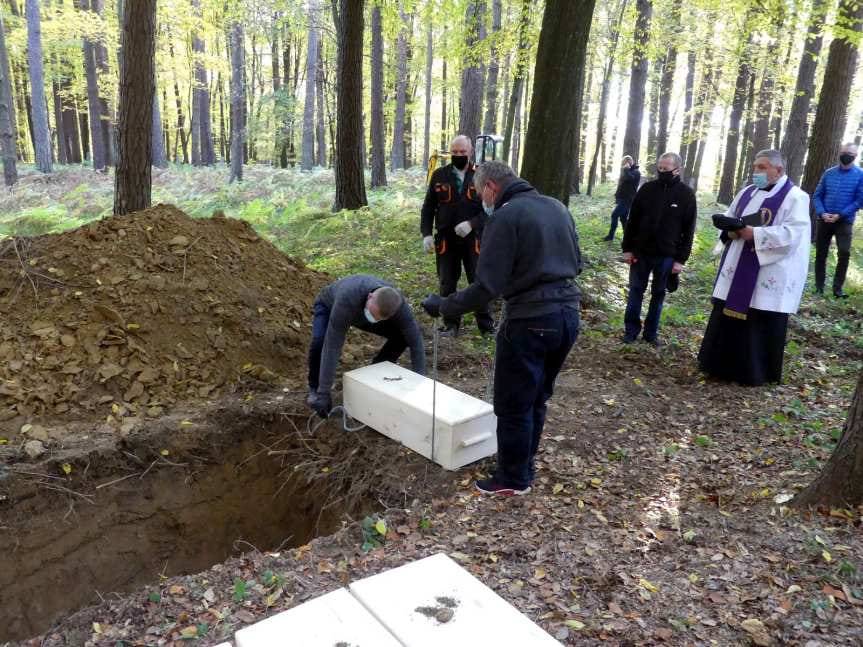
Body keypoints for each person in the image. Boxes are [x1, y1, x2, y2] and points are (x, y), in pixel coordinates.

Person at [421, 161, 582, 496]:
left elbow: (486, 286)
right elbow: (577, 263)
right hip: (568, 315)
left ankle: (512, 479)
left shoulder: (505, 217)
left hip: (530, 320)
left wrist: (444, 305)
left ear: (491, 188)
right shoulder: (556, 207)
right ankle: (524, 462)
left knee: (513, 403)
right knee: (538, 396)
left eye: (480, 194)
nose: (482, 200)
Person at [698, 149, 810, 386]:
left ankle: (753, 373)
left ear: (778, 170)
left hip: (769, 269)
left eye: (762, 167)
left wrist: (754, 234)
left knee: (757, 320)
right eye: (755, 167)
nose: (756, 172)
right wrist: (729, 227)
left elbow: (793, 233)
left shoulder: (796, 197)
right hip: (737, 262)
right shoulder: (747, 192)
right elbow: (730, 215)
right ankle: (718, 366)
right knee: (726, 316)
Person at [306, 275, 426, 418]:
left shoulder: (398, 306)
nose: (373, 319)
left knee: (402, 336)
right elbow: (332, 346)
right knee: (320, 341)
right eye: (373, 313)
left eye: (378, 318)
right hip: (329, 306)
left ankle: (375, 373)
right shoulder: (347, 298)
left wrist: (420, 383)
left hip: (362, 314)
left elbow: (415, 341)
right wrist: (323, 392)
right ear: (370, 297)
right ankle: (314, 387)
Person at [420, 134, 495, 337]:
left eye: (462, 152)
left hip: (474, 240)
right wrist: (426, 234)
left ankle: (486, 327)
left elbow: (490, 209)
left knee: (478, 281)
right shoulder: (439, 175)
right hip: (446, 240)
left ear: (470, 152)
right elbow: (428, 207)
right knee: (447, 282)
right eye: (455, 152)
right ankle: (451, 325)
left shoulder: (482, 174)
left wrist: (472, 224)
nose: (458, 155)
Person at [620, 152, 697, 346]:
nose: (661, 171)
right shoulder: (646, 189)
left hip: (667, 255)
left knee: (659, 294)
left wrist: (681, 260)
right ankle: (630, 331)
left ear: (677, 169)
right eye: (659, 168)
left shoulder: (686, 195)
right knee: (636, 290)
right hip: (641, 251)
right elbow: (632, 221)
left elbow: (689, 230)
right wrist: (627, 248)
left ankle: (650, 334)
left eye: (666, 168)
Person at [811, 142, 863, 298]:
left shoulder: (860, 175)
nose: (847, 156)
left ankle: (837, 290)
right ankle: (819, 287)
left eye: (851, 154)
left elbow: (860, 200)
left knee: (844, 253)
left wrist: (840, 214)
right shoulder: (829, 173)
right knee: (821, 253)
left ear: (855, 157)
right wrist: (822, 213)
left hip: (844, 221)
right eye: (845, 152)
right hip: (825, 219)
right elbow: (817, 196)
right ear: (840, 152)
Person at [603, 155, 640, 241]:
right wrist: (617, 196)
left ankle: (610, 236)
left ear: (632, 162)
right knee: (623, 219)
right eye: (625, 162)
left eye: (628, 161)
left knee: (614, 215)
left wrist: (626, 169)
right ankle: (628, 237)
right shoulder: (626, 171)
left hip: (628, 199)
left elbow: (629, 179)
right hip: (622, 198)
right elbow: (622, 185)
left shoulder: (636, 172)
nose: (627, 163)